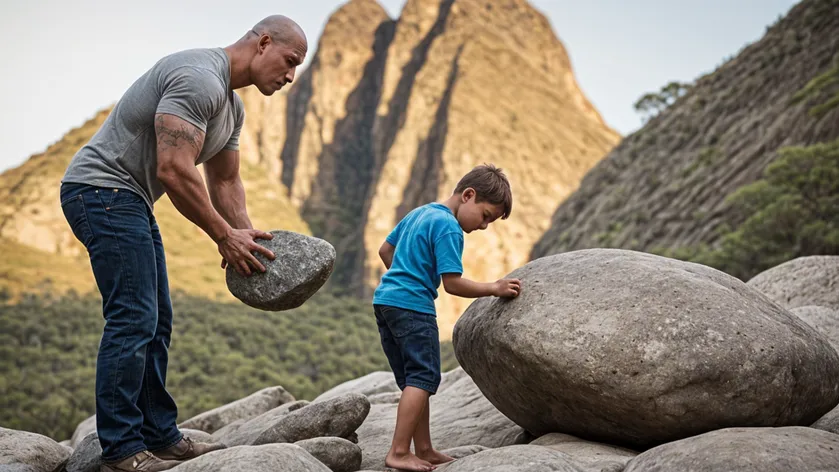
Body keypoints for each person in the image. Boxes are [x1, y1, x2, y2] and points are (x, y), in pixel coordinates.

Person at [58, 15, 308, 472]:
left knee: (157, 319)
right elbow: (173, 169)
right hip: (101, 192)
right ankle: (120, 450)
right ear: (263, 42)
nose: (290, 75)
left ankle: (159, 434)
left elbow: (226, 180)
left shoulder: (230, 107)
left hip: (129, 199)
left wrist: (246, 238)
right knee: (133, 317)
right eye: (289, 61)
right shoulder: (199, 78)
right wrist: (222, 236)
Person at [372, 164, 522, 471]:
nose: (483, 227)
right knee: (424, 378)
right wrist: (493, 288)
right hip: (414, 307)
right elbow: (452, 283)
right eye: (485, 216)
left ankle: (423, 449)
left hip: (386, 301)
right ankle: (399, 452)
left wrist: (404, 276)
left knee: (413, 379)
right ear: (468, 195)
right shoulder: (449, 227)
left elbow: (386, 250)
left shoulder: (420, 213)